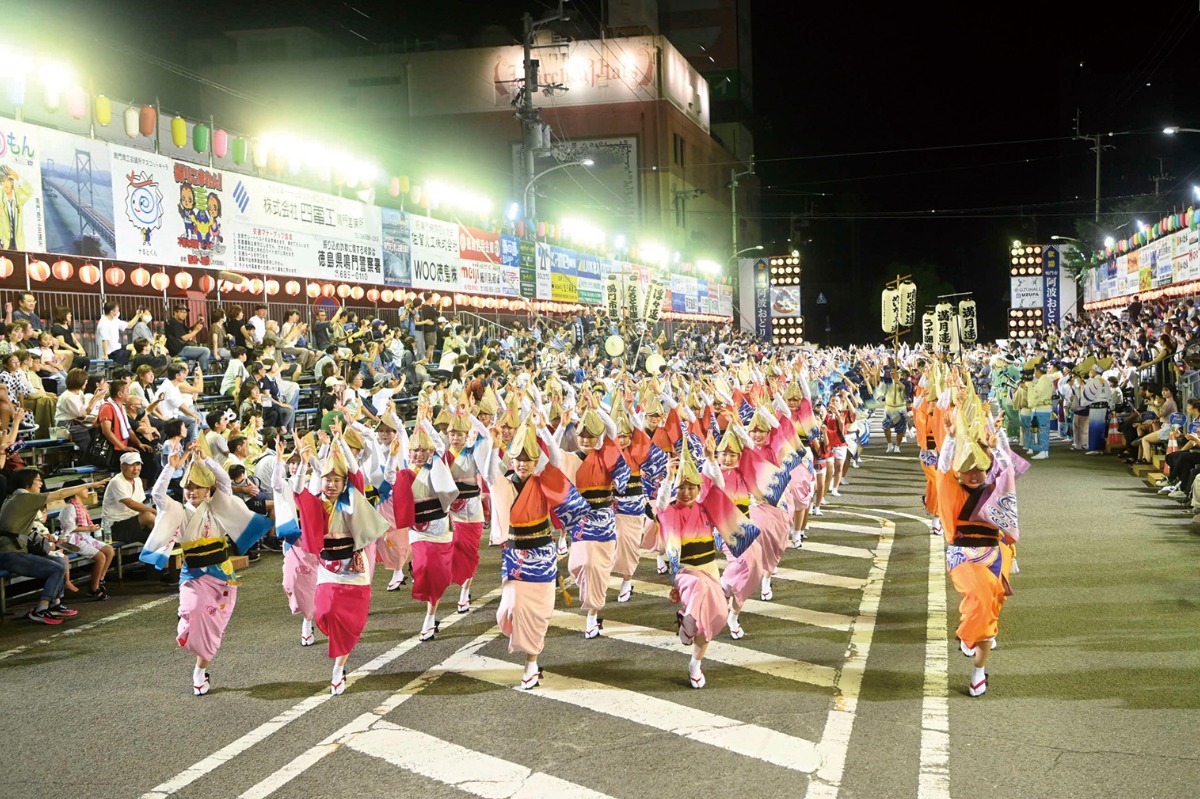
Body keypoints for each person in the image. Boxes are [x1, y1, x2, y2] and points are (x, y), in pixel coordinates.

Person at [141, 448, 272, 695]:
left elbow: (224, 481)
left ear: (207, 490)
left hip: (221, 576)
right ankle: (187, 619)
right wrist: (170, 466)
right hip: (193, 575)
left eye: (199, 487)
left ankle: (200, 671)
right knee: (194, 609)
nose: (192, 491)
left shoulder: (217, 507)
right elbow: (157, 493)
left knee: (214, 626)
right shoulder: (177, 511)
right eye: (188, 487)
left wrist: (207, 460)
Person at [291, 427, 391, 695]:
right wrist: (303, 463)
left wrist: (342, 445)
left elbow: (357, 473)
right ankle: (338, 652)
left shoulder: (352, 499)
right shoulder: (315, 503)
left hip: (354, 568)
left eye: (337, 479)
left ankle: (339, 668)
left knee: (350, 620)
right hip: (327, 568)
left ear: (344, 483)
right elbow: (297, 491)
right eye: (327, 479)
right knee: (324, 612)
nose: (332, 483)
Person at [490, 418, 588, 689]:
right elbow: (488, 471)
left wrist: (544, 428)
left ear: (536, 462)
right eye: (518, 459)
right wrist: (492, 444)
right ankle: (527, 651)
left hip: (542, 555)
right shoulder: (504, 483)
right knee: (510, 607)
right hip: (515, 556)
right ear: (511, 460)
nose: (522, 464)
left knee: (539, 612)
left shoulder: (544, 479)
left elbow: (555, 460)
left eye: (528, 460)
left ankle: (532, 663)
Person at [655, 442, 761, 688]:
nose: (688, 492)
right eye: (683, 488)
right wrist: (669, 479)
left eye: (692, 487)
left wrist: (711, 458)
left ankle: (695, 662)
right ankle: (688, 621)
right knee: (701, 589)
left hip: (710, 568)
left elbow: (720, 488)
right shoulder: (669, 510)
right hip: (686, 573)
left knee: (714, 616)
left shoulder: (705, 508)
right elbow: (659, 504)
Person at [58, 479, 116, 601]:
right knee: (101, 557)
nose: (87, 490)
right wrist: (89, 527)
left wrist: (90, 528)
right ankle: (94, 589)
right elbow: (69, 529)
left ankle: (100, 579)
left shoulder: (80, 506)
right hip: (73, 539)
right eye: (84, 488)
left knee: (109, 550)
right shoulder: (69, 508)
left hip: (85, 537)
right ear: (76, 491)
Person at [102, 452, 157, 543]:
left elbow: (140, 503)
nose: (136, 469)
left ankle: (168, 546)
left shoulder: (137, 480)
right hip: (115, 526)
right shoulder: (117, 481)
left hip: (134, 521)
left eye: (138, 464)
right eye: (131, 465)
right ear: (122, 466)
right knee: (148, 516)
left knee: (156, 536)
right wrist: (154, 511)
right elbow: (130, 503)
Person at [55, 368, 103, 452]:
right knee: (86, 437)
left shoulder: (79, 393)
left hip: (76, 421)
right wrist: (95, 400)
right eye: (85, 380)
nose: (86, 382)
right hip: (67, 424)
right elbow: (82, 415)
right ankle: (88, 456)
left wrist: (95, 397)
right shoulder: (68, 397)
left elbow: (84, 409)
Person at [166, 305, 211, 371]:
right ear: (175, 313)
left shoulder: (178, 323)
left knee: (202, 351)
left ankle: (193, 372)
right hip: (178, 350)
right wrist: (196, 330)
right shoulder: (173, 323)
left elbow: (188, 330)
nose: (184, 314)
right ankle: (203, 373)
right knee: (205, 351)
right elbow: (185, 338)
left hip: (182, 348)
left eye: (185, 312)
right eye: (181, 312)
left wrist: (197, 323)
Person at [0, 166, 32, 250]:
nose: (5, 184)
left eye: (7, 180)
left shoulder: (18, 196)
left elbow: (29, 190)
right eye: (2, 181)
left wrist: (18, 177)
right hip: (3, 245)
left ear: (12, 181)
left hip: (18, 245)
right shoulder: (1, 196)